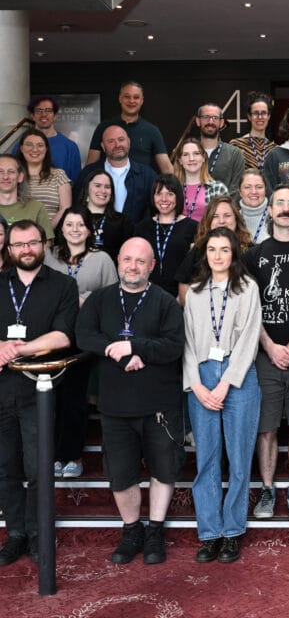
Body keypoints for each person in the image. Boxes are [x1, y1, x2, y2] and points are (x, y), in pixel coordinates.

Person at [76, 238, 185, 565]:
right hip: (115, 404)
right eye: (127, 260)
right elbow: (84, 336)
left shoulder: (165, 302)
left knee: (163, 470)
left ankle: (154, 531)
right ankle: (131, 530)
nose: (133, 266)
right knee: (121, 474)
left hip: (159, 405)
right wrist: (119, 351)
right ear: (118, 262)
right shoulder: (100, 299)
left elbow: (173, 346)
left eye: (140, 261)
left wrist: (136, 348)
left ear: (151, 266)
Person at [0, 220, 78, 566]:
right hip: (1, 391)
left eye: (32, 243)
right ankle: (15, 533)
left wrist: (16, 349)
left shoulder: (62, 285)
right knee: (5, 469)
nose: (26, 250)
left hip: (39, 392)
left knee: (37, 468)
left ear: (44, 245)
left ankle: (37, 534)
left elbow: (63, 336)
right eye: (19, 245)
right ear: (10, 249)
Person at [183, 227, 262, 564]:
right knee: (207, 460)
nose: (217, 256)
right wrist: (197, 386)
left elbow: (249, 340)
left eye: (224, 250)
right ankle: (210, 533)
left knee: (239, 458)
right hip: (201, 374)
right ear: (205, 254)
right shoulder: (195, 293)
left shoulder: (247, 289)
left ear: (234, 254)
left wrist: (226, 383)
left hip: (237, 376)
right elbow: (185, 342)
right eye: (212, 249)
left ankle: (232, 532)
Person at [245, 185, 289, 520]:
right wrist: (270, 346)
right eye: (280, 203)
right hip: (266, 355)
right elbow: (249, 310)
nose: (286, 208)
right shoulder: (254, 255)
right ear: (269, 210)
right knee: (267, 429)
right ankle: (268, 489)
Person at [45, 207, 118, 479]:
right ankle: (52, 454)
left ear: (89, 229)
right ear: (61, 229)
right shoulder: (49, 258)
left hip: (85, 339)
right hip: (52, 337)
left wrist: (88, 303)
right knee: (51, 398)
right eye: (69, 224)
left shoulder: (102, 260)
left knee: (75, 398)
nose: (74, 229)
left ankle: (71, 455)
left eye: (80, 225)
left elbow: (113, 299)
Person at [175, 195, 253, 305]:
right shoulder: (199, 249)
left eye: (227, 215)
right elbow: (184, 286)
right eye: (215, 216)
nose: (221, 221)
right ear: (209, 221)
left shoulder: (250, 250)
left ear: (236, 218)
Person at [74, 125, 156, 225]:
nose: (117, 145)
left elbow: (154, 211)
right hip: (97, 237)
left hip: (135, 237)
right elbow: (77, 206)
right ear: (103, 146)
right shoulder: (88, 173)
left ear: (129, 142)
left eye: (121, 139)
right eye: (111, 141)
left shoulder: (148, 175)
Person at [87, 81, 173, 174]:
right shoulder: (104, 127)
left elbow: (167, 169)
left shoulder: (152, 131)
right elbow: (90, 166)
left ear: (142, 100)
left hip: (142, 186)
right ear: (120, 98)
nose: (131, 101)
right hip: (109, 186)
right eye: (127, 97)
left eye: (136, 97)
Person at [134, 174, 198, 297]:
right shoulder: (141, 228)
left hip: (181, 296)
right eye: (159, 194)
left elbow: (196, 268)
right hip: (146, 296)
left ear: (178, 197)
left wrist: (182, 297)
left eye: (170, 194)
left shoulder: (193, 227)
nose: (164, 199)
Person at [16, 128, 71, 228]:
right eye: (29, 144)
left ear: (46, 149)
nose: (35, 149)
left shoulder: (58, 175)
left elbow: (65, 207)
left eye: (40, 145)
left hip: (50, 234)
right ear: (21, 148)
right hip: (17, 235)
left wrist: (46, 232)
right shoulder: (13, 175)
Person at [76, 168, 134, 263]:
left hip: (110, 273)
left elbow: (127, 255)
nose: (103, 191)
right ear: (87, 188)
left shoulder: (122, 221)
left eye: (107, 187)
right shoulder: (72, 216)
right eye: (97, 186)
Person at [23, 96, 81, 182]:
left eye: (48, 110)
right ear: (32, 116)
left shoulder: (70, 147)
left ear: (55, 116)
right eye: (39, 111)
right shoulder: (22, 146)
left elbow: (76, 182)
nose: (43, 114)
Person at [195, 102, 245, 202]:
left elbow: (236, 190)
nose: (210, 121)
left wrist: (219, 212)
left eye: (215, 118)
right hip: (192, 213)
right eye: (206, 117)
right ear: (198, 121)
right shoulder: (186, 152)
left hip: (223, 214)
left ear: (221, 123)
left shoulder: (234, 154)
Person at [174, 136, 229, 223]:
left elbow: (225, 222)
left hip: (208, 235)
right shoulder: (172, 189)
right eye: (186, 154)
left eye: (196, 153)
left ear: (203, 157)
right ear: (180, 160)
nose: (191, 159)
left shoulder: (218, 189)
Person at [0, 154, 53, 239]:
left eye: (11, 171)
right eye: (0, 171)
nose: (5, 176)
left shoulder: (36, 207)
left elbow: (46, 243)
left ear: (20, 177)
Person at [230, 92, 276, 172]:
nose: (260, 117)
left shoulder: (274, 149)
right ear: (249, 116)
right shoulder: (236, 145)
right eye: (255, 113)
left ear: (269, 116)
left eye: (263, 113)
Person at [239, 169, 270, 245]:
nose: (253, 192)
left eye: (259, 187)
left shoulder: (277, 217)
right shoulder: (233, 219)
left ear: (265, 190)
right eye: (247, 187)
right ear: (240, 192)